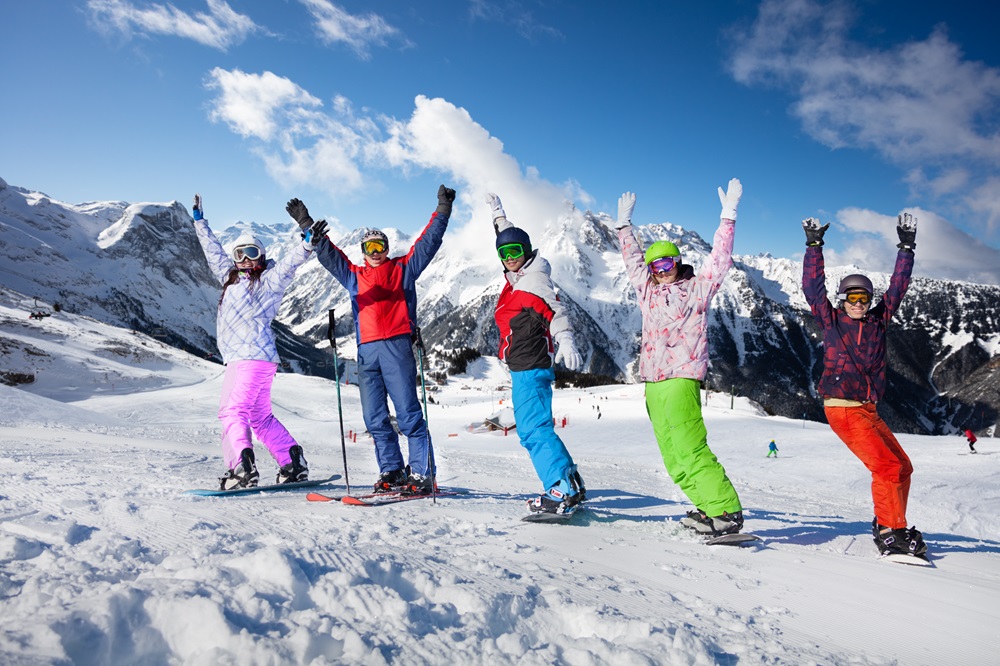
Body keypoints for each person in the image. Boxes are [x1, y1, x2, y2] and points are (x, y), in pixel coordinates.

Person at [287, 186, 455, 495]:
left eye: (380, 246)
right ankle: (392, 470)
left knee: (407, 414)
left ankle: (422, 473)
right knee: (374, 417)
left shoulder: (404, 269)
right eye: (370, 247)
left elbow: (428, 242)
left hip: (397, 348)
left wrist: (442, 209)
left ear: (387, 248)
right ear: (363, 251)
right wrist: (306, 224)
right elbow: (328, 254)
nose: (376, 252)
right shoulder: (353, 275)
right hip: (367, 353)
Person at [614, 181, 745, 536]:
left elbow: (720, 260)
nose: (661, 269)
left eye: (668, 261)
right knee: (672, 457)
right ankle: (707, 508)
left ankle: (726, 511)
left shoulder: (697, 289)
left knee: (689, 447)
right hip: (653, 383)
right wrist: (624, 228)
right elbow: (632, 263)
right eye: (655, 265)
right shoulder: (647, 291)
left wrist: (727, 217)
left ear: (678, 261)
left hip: (681, 377)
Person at [801, 212, 927, 560]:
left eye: (864, 299)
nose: (858, 305)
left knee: (902, 466)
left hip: (867, 408)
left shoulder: (877, 322)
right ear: (842, 299)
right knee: (885, 467)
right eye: (852, 298)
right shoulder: (830, 321)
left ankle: (889, 521)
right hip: (842, 407)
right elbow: (812, 287)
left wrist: (906, 248)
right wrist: (814, 246)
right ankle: (891, 531)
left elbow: (898, 286)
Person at [191, 194, 325, 490]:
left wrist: (306, 243)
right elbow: (214, 253)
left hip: (246, 359)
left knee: (232, 411)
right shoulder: (230, 278)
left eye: (251, 252)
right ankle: (292, 461)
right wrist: (200, 222)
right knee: (259, 415)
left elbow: (289, 265)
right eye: (238, 254)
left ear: (262, 255)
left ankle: (240, 467)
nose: (244, 259)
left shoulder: (267, 281)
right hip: (260, 360)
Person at [485, 192, 586, 515]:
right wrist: (499, 216)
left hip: (530, 366)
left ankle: (560, 487)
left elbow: (555, 312)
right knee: (536, 427)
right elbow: (508, 237)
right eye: (504, 252)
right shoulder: (519, 275)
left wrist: (566, 338)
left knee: (532, 430)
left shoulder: (532, 282)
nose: (510, 257)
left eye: (516, 251)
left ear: (527, 252)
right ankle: (569, 480)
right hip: (524, 366)